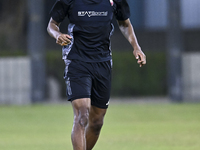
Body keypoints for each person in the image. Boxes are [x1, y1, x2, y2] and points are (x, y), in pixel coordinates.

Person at [47, 0, 146, 149]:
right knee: (82, 115)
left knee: (97, 122)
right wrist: (57, 35)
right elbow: (52, 24)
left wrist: (136, 47)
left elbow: (125, 24)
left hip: (102, 63)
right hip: (77, 60)